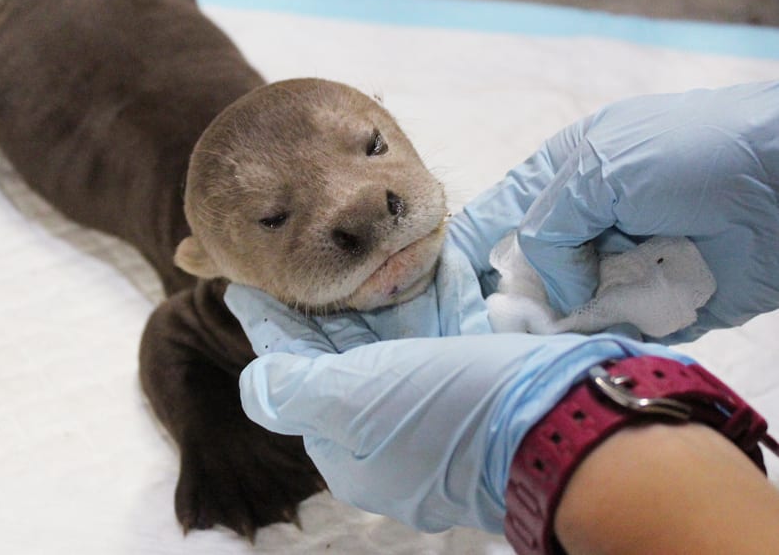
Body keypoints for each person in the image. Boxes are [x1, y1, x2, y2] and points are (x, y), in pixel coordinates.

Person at [226, 80, 779, 554]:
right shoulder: (248, 291)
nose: (361, 206)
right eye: (274, 217)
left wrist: (555, 427)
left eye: (374, 146)